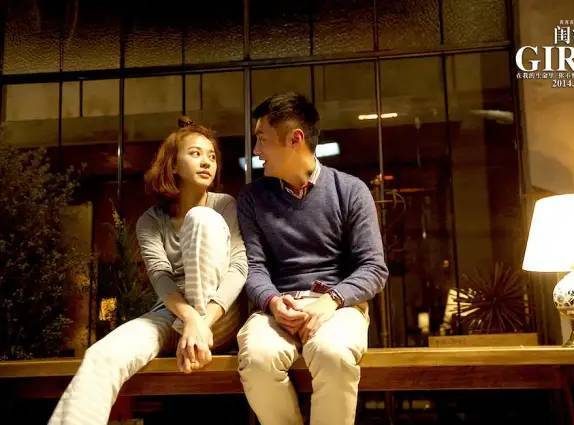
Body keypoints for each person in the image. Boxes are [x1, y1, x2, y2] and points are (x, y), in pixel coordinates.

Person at [49, 117, 247, 425]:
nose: (207, 162)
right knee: (102, 355)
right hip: (175, 315)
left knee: (201, 218)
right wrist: (190, 320)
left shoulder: (224, 205)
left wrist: (202, 320)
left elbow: (239, 267)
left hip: (219, 314)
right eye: (195, 153)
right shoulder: (150, 221)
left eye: (211, 156)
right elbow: (160, 277)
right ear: (173, 164)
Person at [236, 92, 388, 425]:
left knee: (332, 354)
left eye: (262, 139)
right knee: (258, 359)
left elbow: (374, 268)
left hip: (338, 305)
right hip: (279, 305)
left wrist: (330, 301)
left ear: (295, 139)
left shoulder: (351, 191)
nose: (256, 150)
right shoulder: (252, 198)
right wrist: (273, 302)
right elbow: (254, 267)